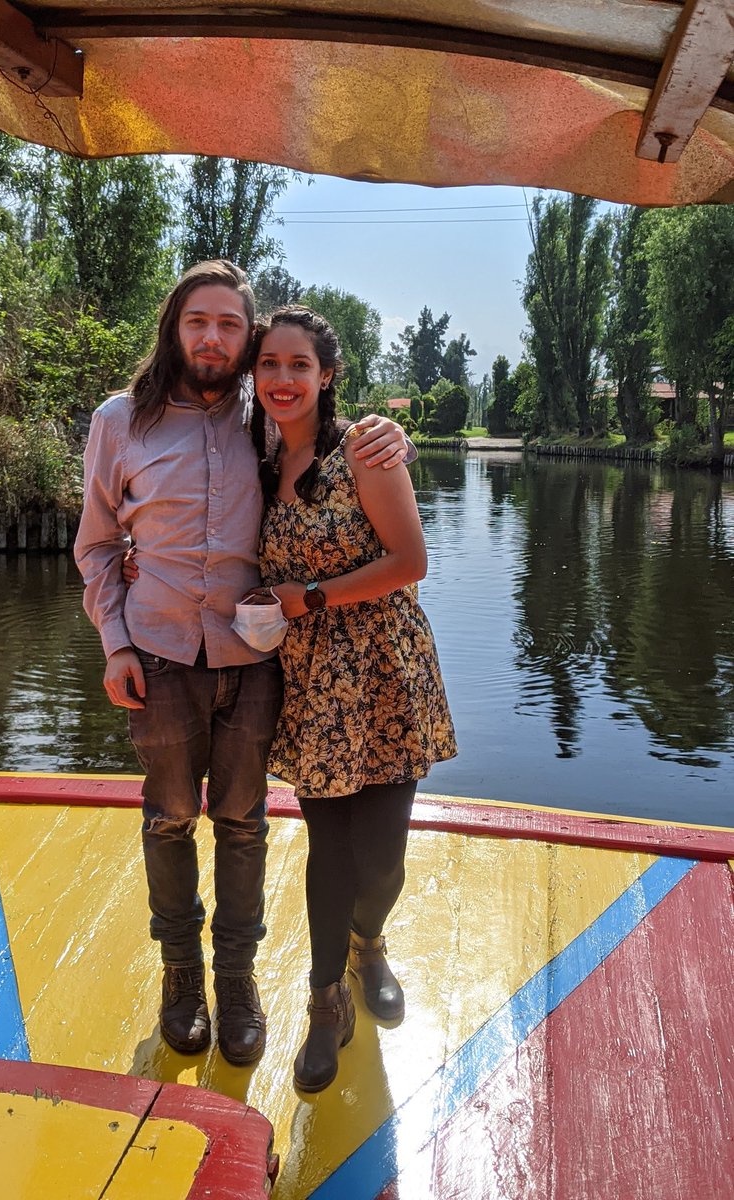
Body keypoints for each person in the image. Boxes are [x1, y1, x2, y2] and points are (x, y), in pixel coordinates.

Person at [73, 260, 410, 1068]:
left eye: (231, 325)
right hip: (154, 658)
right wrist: (114, 643)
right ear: (175, 328)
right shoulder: (118, 422)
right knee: (167, 822)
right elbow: (95, 546)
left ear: (247, 339)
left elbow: (329, 438)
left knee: (245, 826)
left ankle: (239, 981)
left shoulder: (265, 423)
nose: (214, 338)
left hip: (254, 661)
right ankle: (182, 979)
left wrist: (393, 432)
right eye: (200, 322)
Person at [246, 306, 457, 1092]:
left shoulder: (364, 448)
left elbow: (411, 560)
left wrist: (311, 598)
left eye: (299, 365)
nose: (283, 379)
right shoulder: (257, 458)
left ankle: (372, 941)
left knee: (386, 858)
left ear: (326, 374)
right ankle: (325, 999)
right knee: (329, 848)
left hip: (384, 671)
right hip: (309, 682)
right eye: (269, 364)